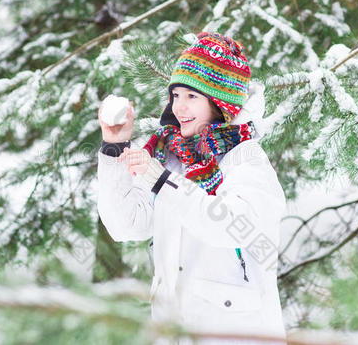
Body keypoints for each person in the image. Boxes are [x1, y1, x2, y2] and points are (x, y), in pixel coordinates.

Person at [96, 32, 286, 344]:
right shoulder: (170, 155)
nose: (179, 107)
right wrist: (114, 148)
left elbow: (230, 228)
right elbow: (127, 225)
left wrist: (162, 182)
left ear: (219, 103)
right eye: (176, 95)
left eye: (192, 97)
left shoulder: (248, 161)